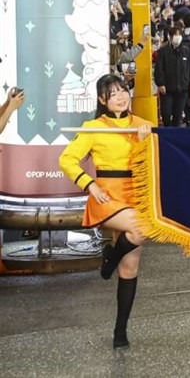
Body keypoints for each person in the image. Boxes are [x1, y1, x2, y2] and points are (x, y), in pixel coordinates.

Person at [58, 74, 154, 349]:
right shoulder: (93, 127)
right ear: (102, 100)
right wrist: (89, 185)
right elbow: (67, 159)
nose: (121, 96)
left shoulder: (142, 124)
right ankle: (110, 257)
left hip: (136, 193)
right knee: (142, 228)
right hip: (107, 196)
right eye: (113, 94)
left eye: (123, 90)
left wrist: (147, 140)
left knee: (130, 266)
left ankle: (120, 331)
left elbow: (158, 159)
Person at [154, 27, 190, 126]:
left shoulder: (186, 51)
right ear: (170, 36)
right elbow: (159, 70)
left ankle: (175, 131)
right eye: (175, 35)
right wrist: (161, 83)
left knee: (177, 115)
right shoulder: (163, 52)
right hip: (167, 89)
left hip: (182, 88)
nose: (177, 37)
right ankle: (168, 129)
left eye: (179, 35)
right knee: (166, 114)